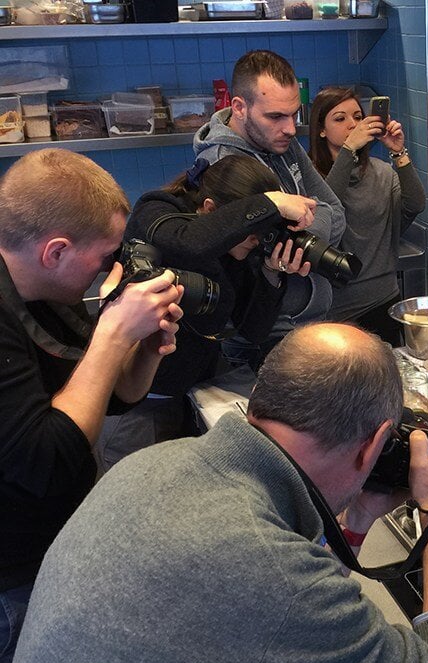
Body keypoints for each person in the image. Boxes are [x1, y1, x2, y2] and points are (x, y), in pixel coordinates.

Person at [8, 323, 428, 663]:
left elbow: (278, 588)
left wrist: (356, 518)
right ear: (372, 448)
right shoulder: (278, 581)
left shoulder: (153, 464)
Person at [0, 149, 183, 663]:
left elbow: (106, 398)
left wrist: (144, 347)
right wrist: (112, 334)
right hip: (10, 574)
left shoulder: (46, 288)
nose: (111, 269)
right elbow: (50, 458)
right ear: (55, 250)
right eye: (104, 257)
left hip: (50, 539)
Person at [96, 155, 315, 470]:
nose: (256, 239)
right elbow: (190, 244)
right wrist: (268, 205)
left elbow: (252, 330)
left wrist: (270, 271)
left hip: (191, 393)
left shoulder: (239, 248)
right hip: (136, 407)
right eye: (252, 229)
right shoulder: (156, 212)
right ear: (210, 209)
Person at [194, 49, 346, 361]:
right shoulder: (222, 164)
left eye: (294, 114)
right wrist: (306, 232)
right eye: (276, 116)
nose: (290, 128)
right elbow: (246, 263)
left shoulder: (280, 142)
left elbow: (335, 211)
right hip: (259, 340)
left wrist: (294, 236)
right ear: (239, 107)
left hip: (306, 326)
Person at [308, 87, 426, 345]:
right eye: (340, 119)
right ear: (321, 130)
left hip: (383, 299)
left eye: (358, 116)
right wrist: (349, 150)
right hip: (335, 310)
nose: (352, 124)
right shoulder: (310, 178)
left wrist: (399, 152)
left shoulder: (382, 173)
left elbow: (415, 204)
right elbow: (328, 213)